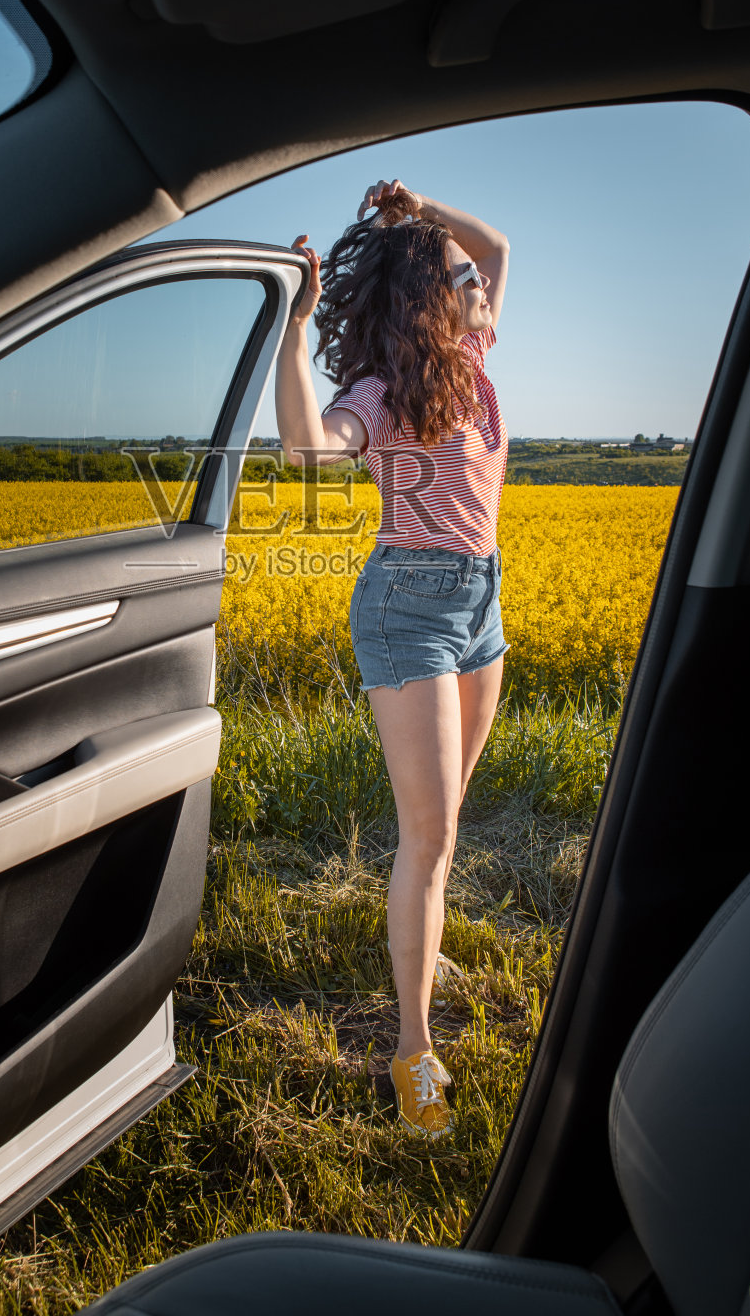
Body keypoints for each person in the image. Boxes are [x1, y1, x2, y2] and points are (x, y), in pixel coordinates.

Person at [274, 178, 510, 1137]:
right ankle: (413, 1047)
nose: (479, 284)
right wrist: (293, 324)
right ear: (428, 294)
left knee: (447, 820)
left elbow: (496, 249)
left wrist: (423, 213)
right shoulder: (378, 393)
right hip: (407, 607)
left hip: (480, 598)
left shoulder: (473, 351)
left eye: (470, 279)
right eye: (458, 279)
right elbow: (303, 451)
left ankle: (427, 947)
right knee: (429, 839)